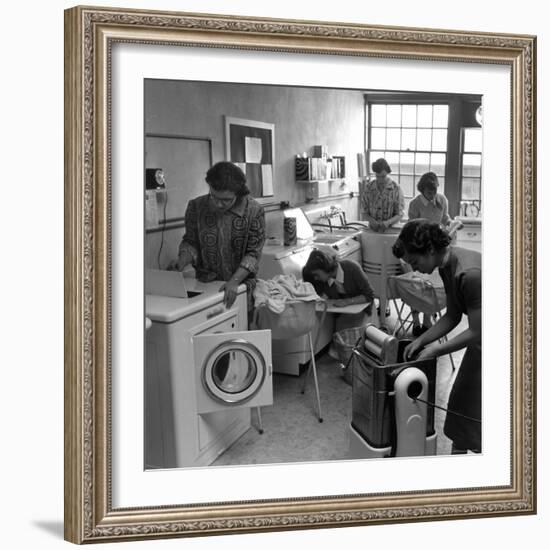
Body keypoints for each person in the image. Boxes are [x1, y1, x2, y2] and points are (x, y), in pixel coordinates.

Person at [392, 219, 481, 454]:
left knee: (480, 409)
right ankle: (457, 461)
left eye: (415, 261)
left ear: (430, 250)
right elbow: (452, 316)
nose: (415, 268)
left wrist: (436, 350)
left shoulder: (469, 273)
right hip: (482, 341)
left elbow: (478, 330)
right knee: (461, 407)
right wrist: (422, 340)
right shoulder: (445, 266)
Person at [177, 161, 265, 314]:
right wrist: (182, 260)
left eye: (226, 200)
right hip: (206, 285)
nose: (218, 204)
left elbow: (253, 254)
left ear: (238, 193)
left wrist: (235, 281)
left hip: (240, 286)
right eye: (214, 197)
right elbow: (190, 241)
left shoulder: (254, 211)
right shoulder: (196, 207)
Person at [406, 172, 451, 335]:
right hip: (419, 249)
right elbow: (411, 227)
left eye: (434, 191)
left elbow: (445, 217)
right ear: (422, 189)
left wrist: (450, 223)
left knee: (431, 286)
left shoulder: (442, 200)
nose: (432, 195)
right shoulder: (415, 204)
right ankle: (416, 321)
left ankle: (427, 319)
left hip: (435, 250)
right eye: (429, 192)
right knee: (417, 286)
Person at [302, 249, 375, 332]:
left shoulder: (351, 268)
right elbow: (325, 295)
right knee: (340, 337)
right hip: (344, 314)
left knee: (353, 337)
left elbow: (369, 295)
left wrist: (347, 301)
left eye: (317, 274)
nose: (315, 278)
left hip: (363, 311)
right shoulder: (326, 280)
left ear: (325, 268)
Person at [360, 157, 405, 232]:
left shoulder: (396, 188)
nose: (380, 180)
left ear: (387, 173)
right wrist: (372, 221)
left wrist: (388, 223)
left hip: (391, 230)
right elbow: (364, 211)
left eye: (383, 176)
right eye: (378, 176)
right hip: (373, 230)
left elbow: (400, 214)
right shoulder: (369, 188)